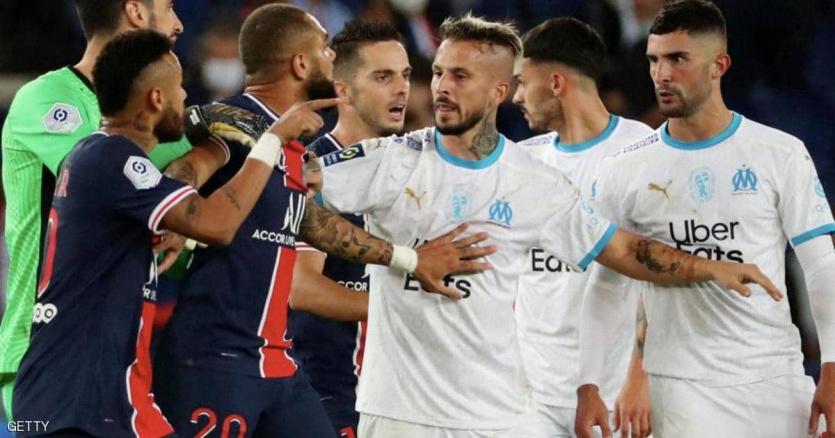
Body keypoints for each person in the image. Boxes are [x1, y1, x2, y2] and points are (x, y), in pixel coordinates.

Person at [314, 13, 781, 437]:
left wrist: (710, 267)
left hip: (499, 416)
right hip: (402, 414)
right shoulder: (389, 160)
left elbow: (622, 250)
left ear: (499, 91)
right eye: (437, 72)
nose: (441, 87)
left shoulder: (532, 181)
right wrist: (402, 258)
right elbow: (291, 202)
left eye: (460, 75)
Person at [155, 5, 490, 437]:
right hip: (217, 355)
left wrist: (409, 260)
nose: (332, 58)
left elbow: (316, 225)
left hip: (276, 362)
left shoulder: (295, 147)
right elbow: (192, 167)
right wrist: (173, 212)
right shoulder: (236, 122)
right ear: (300, 63)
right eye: (324, 49)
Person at [12, 29, 326, 438]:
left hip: (110, 394)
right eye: (179, 88)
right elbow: (217, 225)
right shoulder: (112, 156)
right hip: (74, 397)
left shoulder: (101, 157)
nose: (185, 98)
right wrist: (272, 142)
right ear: (157, 99)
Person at [574, 1, 835, 437]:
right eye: (654, 60)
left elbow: (821, 265)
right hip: (681, 388)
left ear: (719, 65)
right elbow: (606, 283)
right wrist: (590, 384)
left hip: (774, 377)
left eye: (678, 59)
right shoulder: (623, 170)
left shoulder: (779, 153)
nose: (661, 74)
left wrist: (832, 367)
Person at [0, 0, 190, 419]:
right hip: (46, 353)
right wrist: (183, 194)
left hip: (126, 355)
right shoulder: (44, 100)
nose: (178, 24)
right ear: (135, 11)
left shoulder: (164, 120)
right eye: (169, 7)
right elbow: (109, 177)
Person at [511, 17, 653, 438]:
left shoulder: (643, 151)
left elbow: (662, 276)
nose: (516, 96)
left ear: (556, 83)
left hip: (615, 394)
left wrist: (640, 378)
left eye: (523, 82)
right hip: (530, 396)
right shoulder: (521, 162)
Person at [288, 17, 411, 437]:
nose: (401, 89)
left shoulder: (415, 167)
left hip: (404, 396)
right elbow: (300, 287)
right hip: (334, 395)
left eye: (405, 75)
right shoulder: (312, 171)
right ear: (343, 90)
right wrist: (399, 307)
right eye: (383, 77)